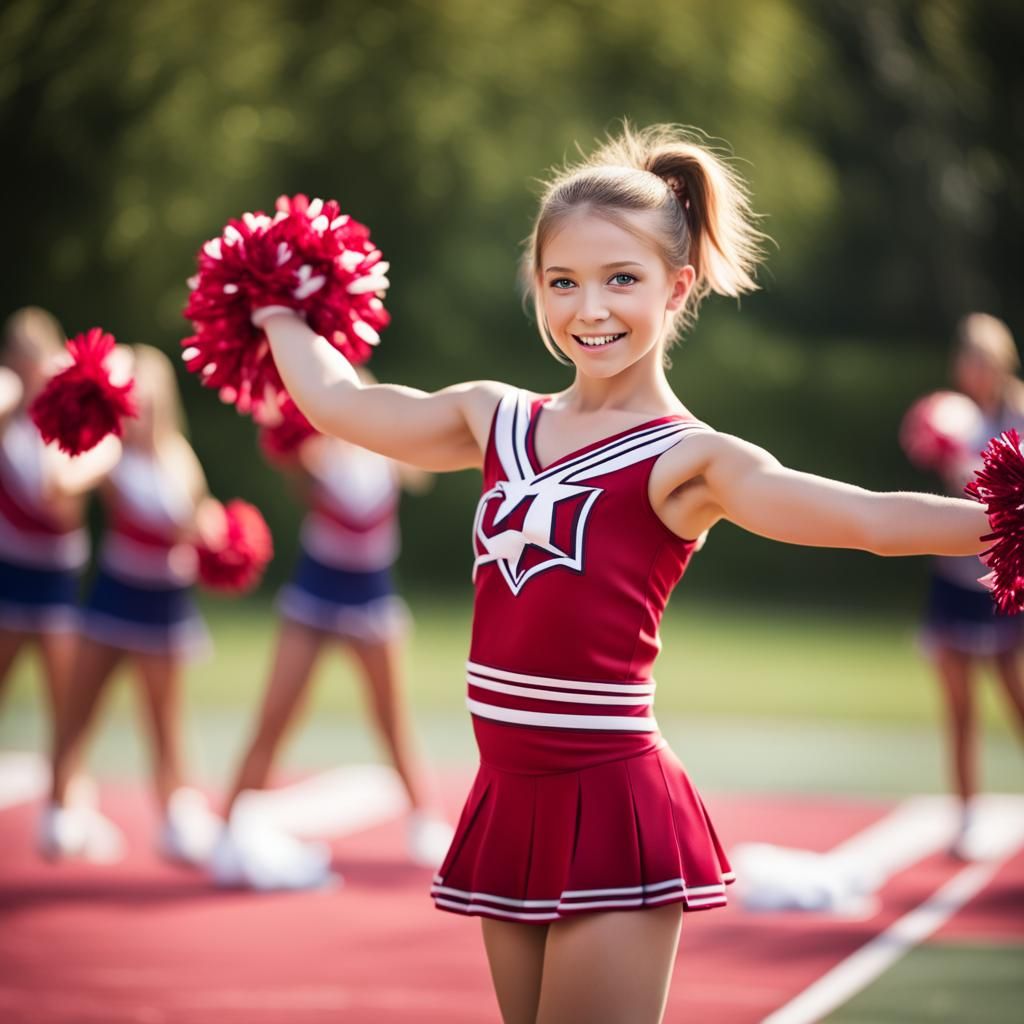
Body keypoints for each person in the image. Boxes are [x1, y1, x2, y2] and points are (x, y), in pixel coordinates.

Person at [246, 124, 990, 1024]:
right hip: (506, 795)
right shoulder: (494, 419)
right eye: (564, 282)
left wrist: (1007, 521)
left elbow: (869, 520)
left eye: (620, 280)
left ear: (678, 288)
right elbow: (342, 404)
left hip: (612, 805)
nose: (588, 308)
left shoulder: (690, 459)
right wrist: (276, 306)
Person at [211, 403, 453, 889]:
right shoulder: (313, 453)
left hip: (372, 593)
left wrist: (392, 433)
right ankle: (227, 829)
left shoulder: (385, 451)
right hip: (316, 592)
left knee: (391, 717)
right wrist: (298, 436)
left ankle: (425, 819)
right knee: (276, 714)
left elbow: (421, 473)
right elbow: (296, 477)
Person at [43, 344, 221, 866]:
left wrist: (215, 535)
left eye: (148, 392)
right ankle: (59, 809)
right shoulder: (110, 448)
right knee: (79, 710)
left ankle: (176, 818)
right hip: (115, 597)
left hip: (165, 603)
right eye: (131, 392)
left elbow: (199, 515)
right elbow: (61, 483)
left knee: (165, 720)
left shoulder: (177, 454)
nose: (141, 403)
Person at [0, 307, 122, 860]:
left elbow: (60, 499)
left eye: (38, 357)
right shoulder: (7, 417)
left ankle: (63, 807)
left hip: (56, 576)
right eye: (20, 358)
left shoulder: (74, 424)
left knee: (64, 703)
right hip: (8, 571)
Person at [914, 313, 1024, 861]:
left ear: (999, 362)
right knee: (959, 706)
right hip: (954, 576)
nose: (971, 369)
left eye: (981, 358)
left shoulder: (1020, 416)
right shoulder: (951, 416)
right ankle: (966, 816)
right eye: (965, 359)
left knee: (1016, 696)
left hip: (1005, 580)